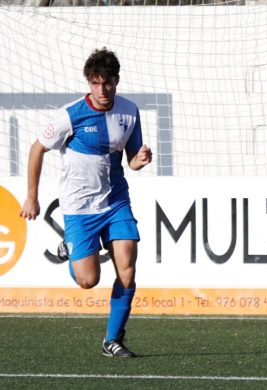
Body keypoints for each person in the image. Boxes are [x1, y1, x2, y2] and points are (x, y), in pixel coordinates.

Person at [20, 47, 152, 358]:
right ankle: (70, 248)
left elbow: (131, 161)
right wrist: (31, 195)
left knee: (128, 269)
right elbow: (37, 149)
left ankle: (112, 340)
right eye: (95, 83)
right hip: (80, 208)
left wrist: (140, 160)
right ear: (88, 83)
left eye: (107, 83)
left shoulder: (129, 111)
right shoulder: (71, 115)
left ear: (116, 81)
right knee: (88, 280)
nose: (102, 89)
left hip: (116, 200)